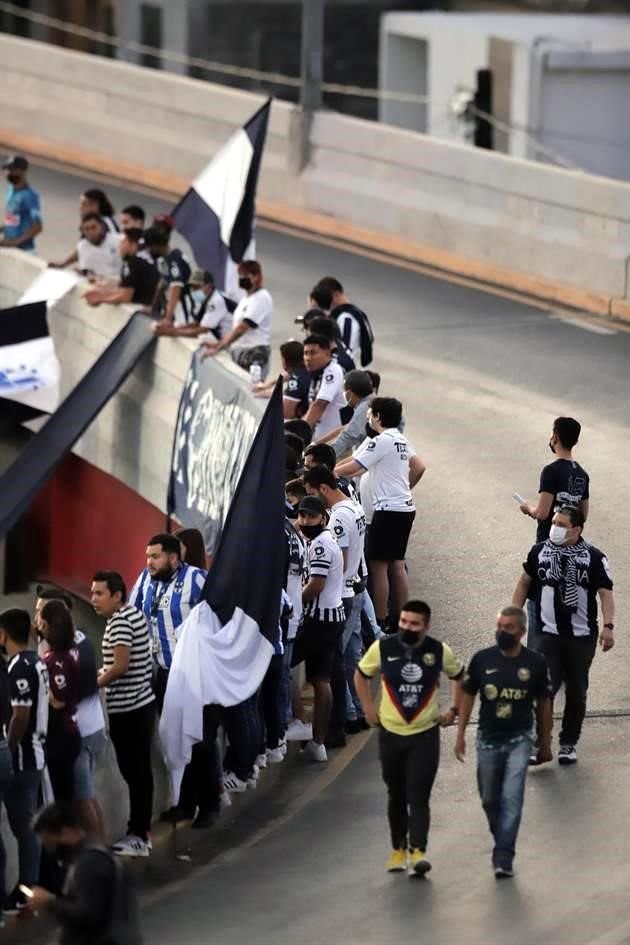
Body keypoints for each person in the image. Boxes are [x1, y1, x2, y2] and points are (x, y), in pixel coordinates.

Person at [354, 600, 463, 876]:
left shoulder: (438, 651)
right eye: (404, 622)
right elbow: (361, 674)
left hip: (424, 735)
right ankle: (397, 849)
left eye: (414, 624)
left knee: (419, 795)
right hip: (390, 733)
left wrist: (454, 709)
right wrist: (368, 708)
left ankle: (418, 852)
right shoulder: (383, 648)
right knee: (396, 794)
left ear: (426, 626)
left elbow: (459, 675)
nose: (407, 627)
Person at [512, 505, 614, 765]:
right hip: (548, 635)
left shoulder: (594, 557)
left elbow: (605, 593)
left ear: (576, 529)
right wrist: (513, 614)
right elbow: (525, 581)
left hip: (581, 638)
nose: (554, 528)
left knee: (577, 691)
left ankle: (568, 742)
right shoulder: (540, 551)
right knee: (544, 690)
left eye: (561, 525)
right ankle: (541, 744)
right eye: (554, 523)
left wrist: (608, 626)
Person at [455, 607, 553, 878]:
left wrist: (545, 741)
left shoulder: (535, 663)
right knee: (489, 799)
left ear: (522, 632)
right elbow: (468, 695)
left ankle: (503, 856)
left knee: (512, 797)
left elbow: (544, 703)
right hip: (487, 740)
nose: (502, 632)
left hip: (520, 739)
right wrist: (461, 733)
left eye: (509, 628)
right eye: (500, 626)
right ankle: (501, 835)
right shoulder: (481, 659)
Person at [336, 397, 426, 631]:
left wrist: (328, 473)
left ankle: (380, 619)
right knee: (397, 563)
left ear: (378, 416)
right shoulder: (400, 439)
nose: (367, 416)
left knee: (378, 566)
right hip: (405, 508)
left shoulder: (382, 440)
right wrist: (405, 488)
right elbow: (419, 467)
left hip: (386, 510)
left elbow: (356, 466)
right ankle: (403, 619)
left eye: (370, 413)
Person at [91, 571, 155, 857]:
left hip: (129, 709)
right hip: (140, 704)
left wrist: (90, 685)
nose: (94, 599)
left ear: (117, 595)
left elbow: (120, 666)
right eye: (92, 593)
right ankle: (141, 831)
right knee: (139, 771)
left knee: (136, 772)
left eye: (99, 593)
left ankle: (139, 834)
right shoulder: (132, 615)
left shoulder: (119, 623)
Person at [35, 587, 106, 842]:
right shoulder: (80, 640)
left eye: (42, 612)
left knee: (82, 798)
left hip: (80, 732)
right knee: (86, 796)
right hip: (90, 727)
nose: (37, 617)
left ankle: (98, 856)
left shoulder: (63, 651)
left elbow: (63, 697)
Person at [304, 466, 368, 737]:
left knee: (335, 664)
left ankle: (342, 720)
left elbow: (338, 562)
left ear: (323, 488)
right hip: (354, 588)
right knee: (351, 656)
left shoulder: (339, 518)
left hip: (341, 595)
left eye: (312, 494)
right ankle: (357, 712)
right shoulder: (353, 506)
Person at [518, 417, 590, 649]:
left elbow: (542, 512)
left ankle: (535, 661)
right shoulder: (582, 475)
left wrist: (527, 507)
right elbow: (583, 515)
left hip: (547, 545)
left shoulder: (550, 471)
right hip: (572, 548)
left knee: (539, 603)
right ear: (576, 441)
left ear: (555, 437)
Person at [26, 803, 143, 945]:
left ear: (66, 831)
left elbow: (88, 916)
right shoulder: (98, 854)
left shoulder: (88, 864)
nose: (50, 850)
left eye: (50, 843)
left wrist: (48, 902)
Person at [0, 608, 49, 914]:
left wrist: (9, 746)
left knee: (24, 827)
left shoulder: (18, 666)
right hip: (35, 752)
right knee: (26, 825)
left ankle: (26, 890)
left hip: (24, 756)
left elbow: (20, 714)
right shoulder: (35, 661)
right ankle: (29, 887)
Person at [292, 496, 345, 763]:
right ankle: (318, 742)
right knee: (321, 679)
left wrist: (292, 603)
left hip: (318, 620)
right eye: (301, 516)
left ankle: (301, 721)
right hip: (332, 618)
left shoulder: (321, 546)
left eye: (310, 517)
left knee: (284, 665)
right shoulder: (322, 541)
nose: (304, 521)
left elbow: (316, 585)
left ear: (322, 518)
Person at [129, 532, 206, 699]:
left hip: (191, 675)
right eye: (148, 557)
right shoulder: (146, 576)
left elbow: (216, 618)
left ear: (172, 558)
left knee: (193, 725)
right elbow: (131, 613)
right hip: (159, 671)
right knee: (165, 724)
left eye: (155, 557)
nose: (149, 562)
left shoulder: (195, 578)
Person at [38, 601, 82, 804]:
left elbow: (58, 702)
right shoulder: (72, 653)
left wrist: (41, 689)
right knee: (68, 795)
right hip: (71, 730)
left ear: (47, 625)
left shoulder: (54, 661)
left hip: (60, 736)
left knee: (63, 798)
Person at [202, 260, 273, 379]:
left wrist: (219, 348)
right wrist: (217, 344)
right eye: (240, 275)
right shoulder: (246, 299)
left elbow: (242, 328)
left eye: (245, 276)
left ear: (256, 277)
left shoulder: (262, 298)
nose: (241, 278)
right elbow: (235, 328)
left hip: (254, 355)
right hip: (240, 352)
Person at [83, 228, 159, 308]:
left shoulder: (134, 262)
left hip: (138, 311)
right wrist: (102, 286)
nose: (120, 245)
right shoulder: (149, 260)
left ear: (133, 245)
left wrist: (99, 298)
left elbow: (125, 297)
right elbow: (122, 285)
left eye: (123, 241)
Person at [154, 269, 233, 341]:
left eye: (197, 287)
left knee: (204, 339)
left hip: (239, 344)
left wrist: (170, 332)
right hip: (229, 341)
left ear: (210, 286)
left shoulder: (217, 300)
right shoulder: (208, 300)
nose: (193, 291)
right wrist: (171, 328)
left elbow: (201, 331)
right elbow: (195, 324)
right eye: (192, 287)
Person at [314, 276, 374, 367]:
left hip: (350, 372)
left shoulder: (346, 318)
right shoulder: (356, 313)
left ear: (336, 294)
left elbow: (345, 351)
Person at [144, 224, 194, 324]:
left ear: (155, 245)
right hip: (175, 307)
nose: (148, 250)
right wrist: (152, 308)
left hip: (185, 307)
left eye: (149, 247)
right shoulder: (163, 259)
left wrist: (168, 317)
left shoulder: (174, 260)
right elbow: (162, 283)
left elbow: (176, 287)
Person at [302, 334, 347, 440]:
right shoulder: (317, 372)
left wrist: (299, 433)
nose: (308, 358)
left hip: (332, 445)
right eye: (305, 353)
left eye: (313, 353)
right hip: (320, 441)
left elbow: (320, 404)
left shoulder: (333, 371)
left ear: (327, 353)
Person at [50, 213, 121, 279]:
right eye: (87, 229)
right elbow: (88, 274)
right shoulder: (83, 246)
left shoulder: (119, 241)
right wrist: (82, 274)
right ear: (83, 232)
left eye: (94, 227)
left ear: (102, 227)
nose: (91, 232)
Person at [255, 340, 310, 420]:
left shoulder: (295, 381)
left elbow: (286, 414)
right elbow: (287, 375)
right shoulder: (307, 369)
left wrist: (274, 395)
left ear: (285, 361)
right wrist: (269, 385)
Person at [327, 370, 375, 457]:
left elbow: (348, 437)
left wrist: (321, 457)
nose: (344, 394)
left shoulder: (365, 407)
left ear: (350, 392)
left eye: (345, 390)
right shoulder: (371, 401)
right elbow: (346, 430)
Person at [1, 155, 42, 251]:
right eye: (8, 170)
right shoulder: (11, 191)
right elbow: (13, 220)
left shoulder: (30, 196)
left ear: (23, 171)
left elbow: (37, 227)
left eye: (12, 170)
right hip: (9, 248)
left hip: (24, 251)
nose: (8, 173)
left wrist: (14, 242)